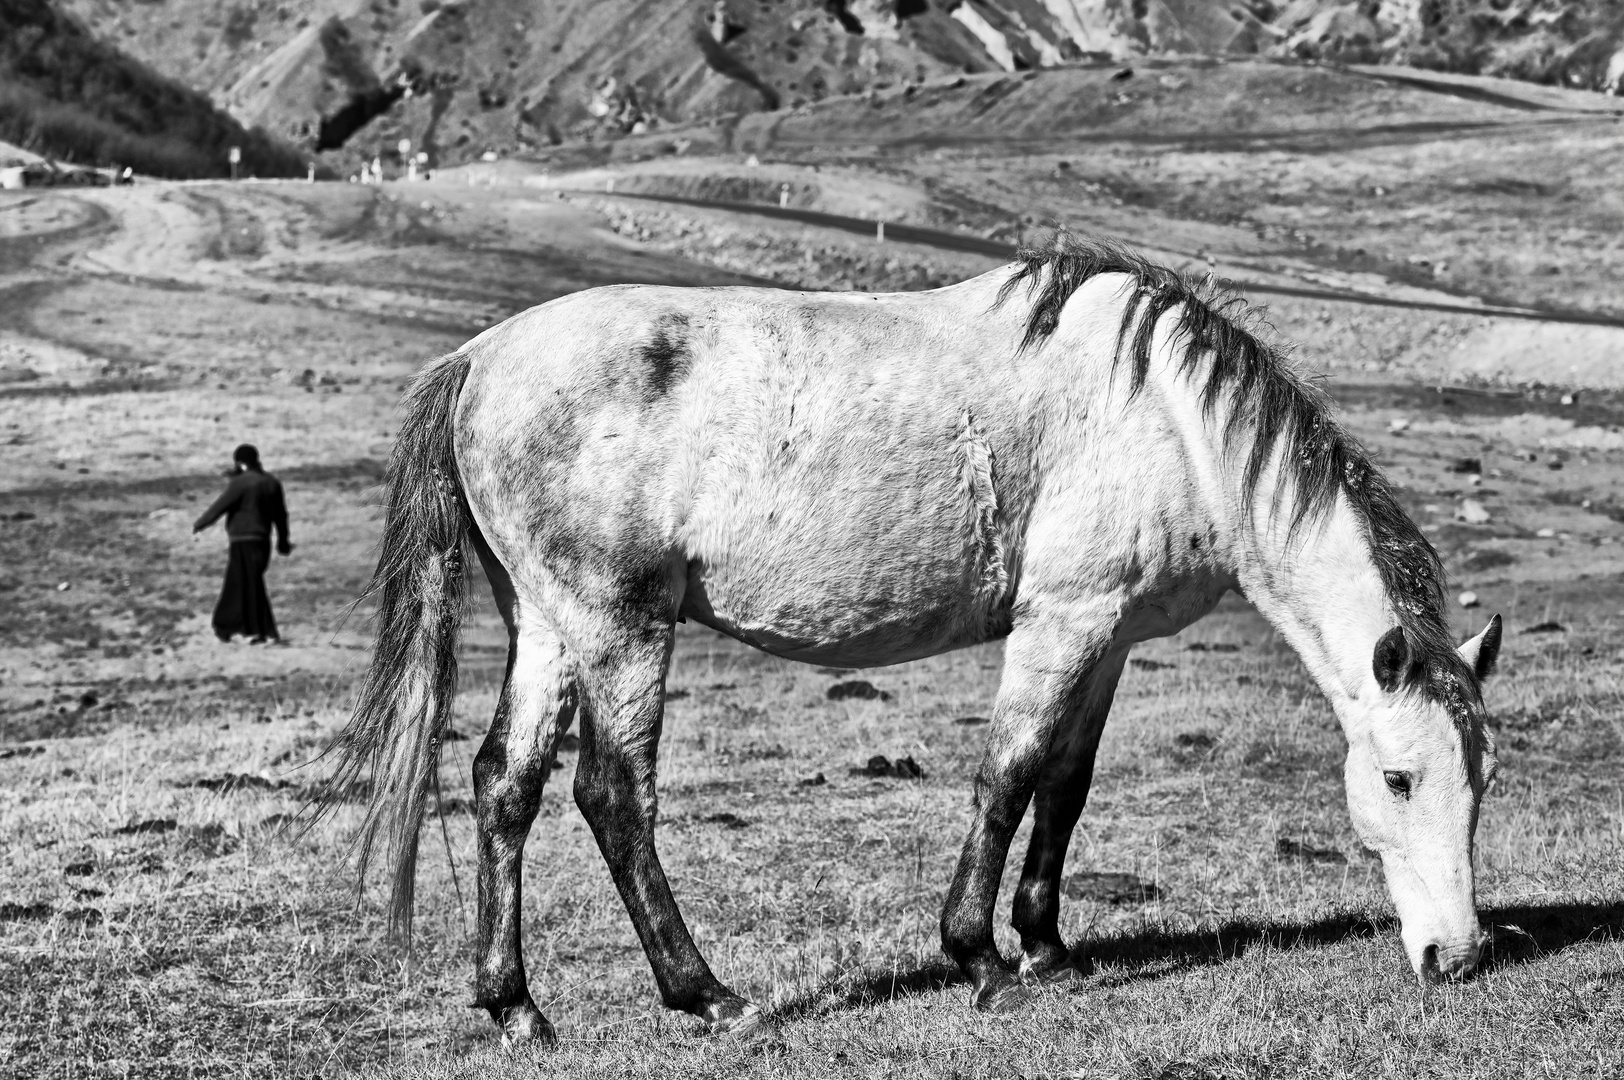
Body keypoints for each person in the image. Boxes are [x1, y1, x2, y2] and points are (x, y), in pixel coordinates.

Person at [193, 444, 292, 643]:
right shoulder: (272, 482)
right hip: (263, 542)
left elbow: (219, 507)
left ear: (239, 461)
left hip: (242, 541)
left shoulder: (241, 483)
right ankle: (249, 629)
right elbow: (281, 516)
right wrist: (283, 542)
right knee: (247, 583)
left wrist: (199, 524)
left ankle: (255, 630)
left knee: (244, 584)